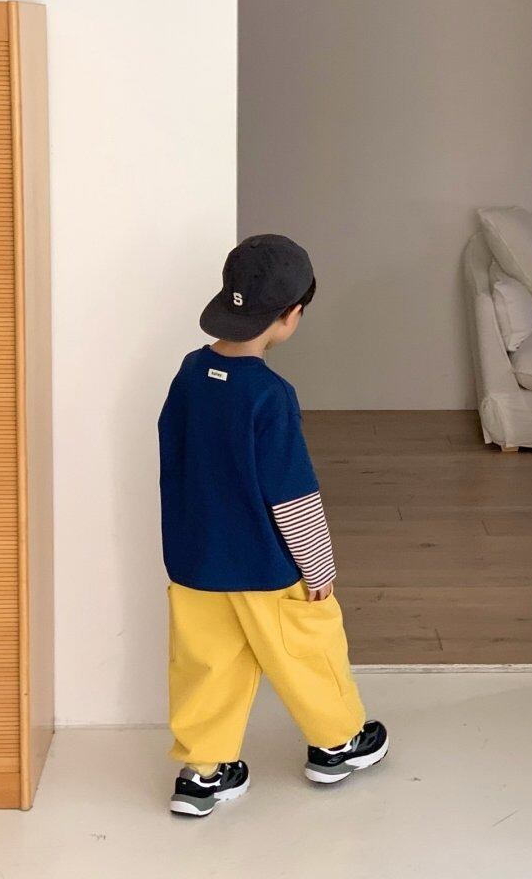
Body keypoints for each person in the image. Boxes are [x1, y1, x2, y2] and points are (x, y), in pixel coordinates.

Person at [158, 234, 388, 817]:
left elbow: (175, 458)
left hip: (195, 563)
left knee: (207, 666)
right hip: (265, 568)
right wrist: (319, 568)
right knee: (307, 650)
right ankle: (337, 743)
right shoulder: (270, 396)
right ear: (290, 315)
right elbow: (292, 496)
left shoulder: (189, 374)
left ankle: (203, 773)